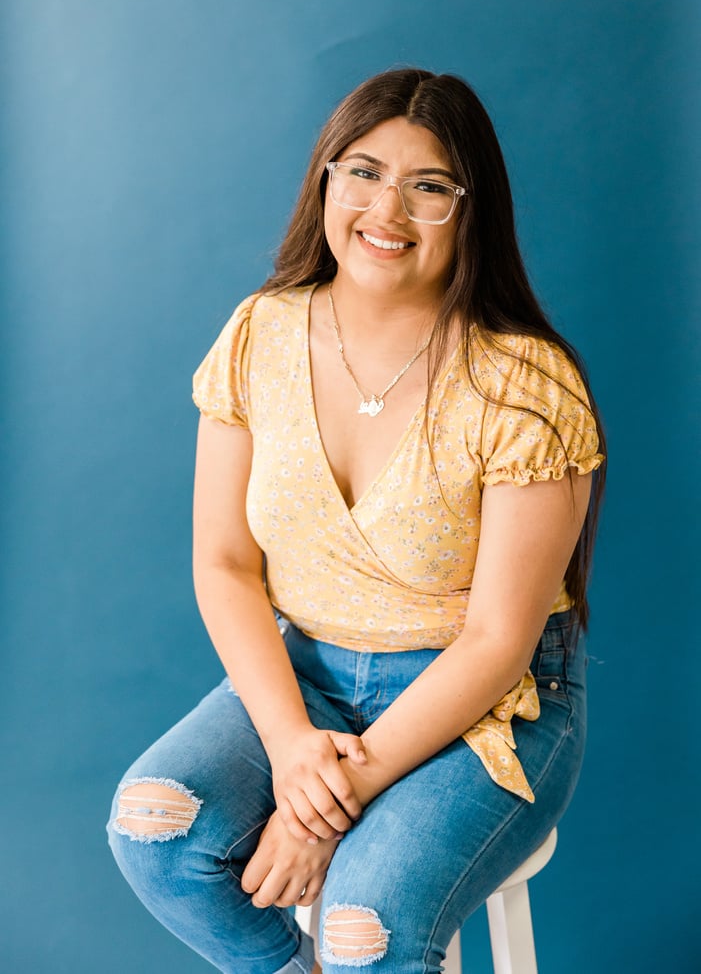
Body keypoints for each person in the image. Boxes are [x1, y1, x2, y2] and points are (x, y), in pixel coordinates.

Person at [107, 67, 606, 974]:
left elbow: (497, 640)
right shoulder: (259, 334)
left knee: (361, 925)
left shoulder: (524, 384)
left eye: (430, 187)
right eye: (363, 171)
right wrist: (294, 746)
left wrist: (324, 797)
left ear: (472, 209)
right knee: (154, 828)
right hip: (311, 673)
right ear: (326, 180)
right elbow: (223, 564)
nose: (388, 209)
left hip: (486, 704)